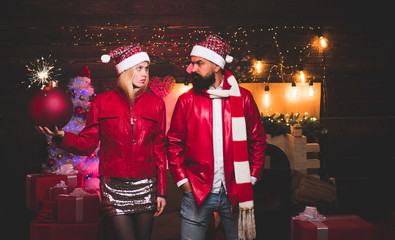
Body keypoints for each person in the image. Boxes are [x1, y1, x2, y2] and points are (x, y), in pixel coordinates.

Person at [36, 43, 167, 240]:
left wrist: (162, 192)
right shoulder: (102, 102)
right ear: (125, 70)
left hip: (146, 186)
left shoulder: (156, 104)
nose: (144, 74)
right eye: (138, 68)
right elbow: (88, 143)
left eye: (146, 68)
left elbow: (159, 149)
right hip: (113, 187)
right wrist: (62, 137)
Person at [167, 34, 267, 240]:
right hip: (196, 191)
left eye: (199, 63)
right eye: (192, 63)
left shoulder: (244, 98)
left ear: (216, 66)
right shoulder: (186, 101)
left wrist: (253, 177)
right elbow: (174, 142)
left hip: (235, 191)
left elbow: (257, 140)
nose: (192, 69)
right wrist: (183, 180)